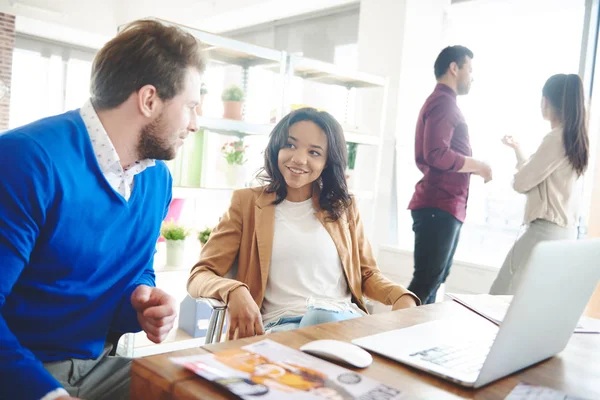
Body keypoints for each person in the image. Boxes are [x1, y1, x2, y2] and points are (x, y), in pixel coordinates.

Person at [0, 20, 205, 400]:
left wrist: (142, 299)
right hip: (21, 371)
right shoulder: (24, 161)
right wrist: (47, 394)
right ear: (149, 99)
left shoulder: (156, 179)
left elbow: (136, 267)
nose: (195, 123)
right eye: (190, 106)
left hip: (97, 368)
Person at [187, 108, 419, 339]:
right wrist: (233, 290)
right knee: (319, 321)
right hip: (279, 328)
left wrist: (400, 295)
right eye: (290, 145)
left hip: (344, 322)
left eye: (315, 152)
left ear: (328, 162)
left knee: (324, 319)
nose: (298, 159)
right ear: (277, 146)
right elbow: (200, 275)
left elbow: (366, 274)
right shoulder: (246, 203)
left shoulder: (344, 207)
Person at [407, 45, 492, 305]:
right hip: (438, 205)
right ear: (454, 68)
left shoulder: (444, 103)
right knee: (425, 283)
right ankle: (386, 338)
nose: (472, 76)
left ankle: (411, 342)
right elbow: (436, 153)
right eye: (470, 69)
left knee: (433, 281)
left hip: (446, 205)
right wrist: (477, 165)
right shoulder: (443, 103)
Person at [490, 74, 589, 295]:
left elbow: (522, 182)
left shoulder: (555, 138)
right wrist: (518, 150)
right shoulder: (574, 139)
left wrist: (519, 169)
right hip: (565, 234)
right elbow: (540, 175)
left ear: (547, 101)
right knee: (533, 301)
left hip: (545, 233)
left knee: (500, 295)